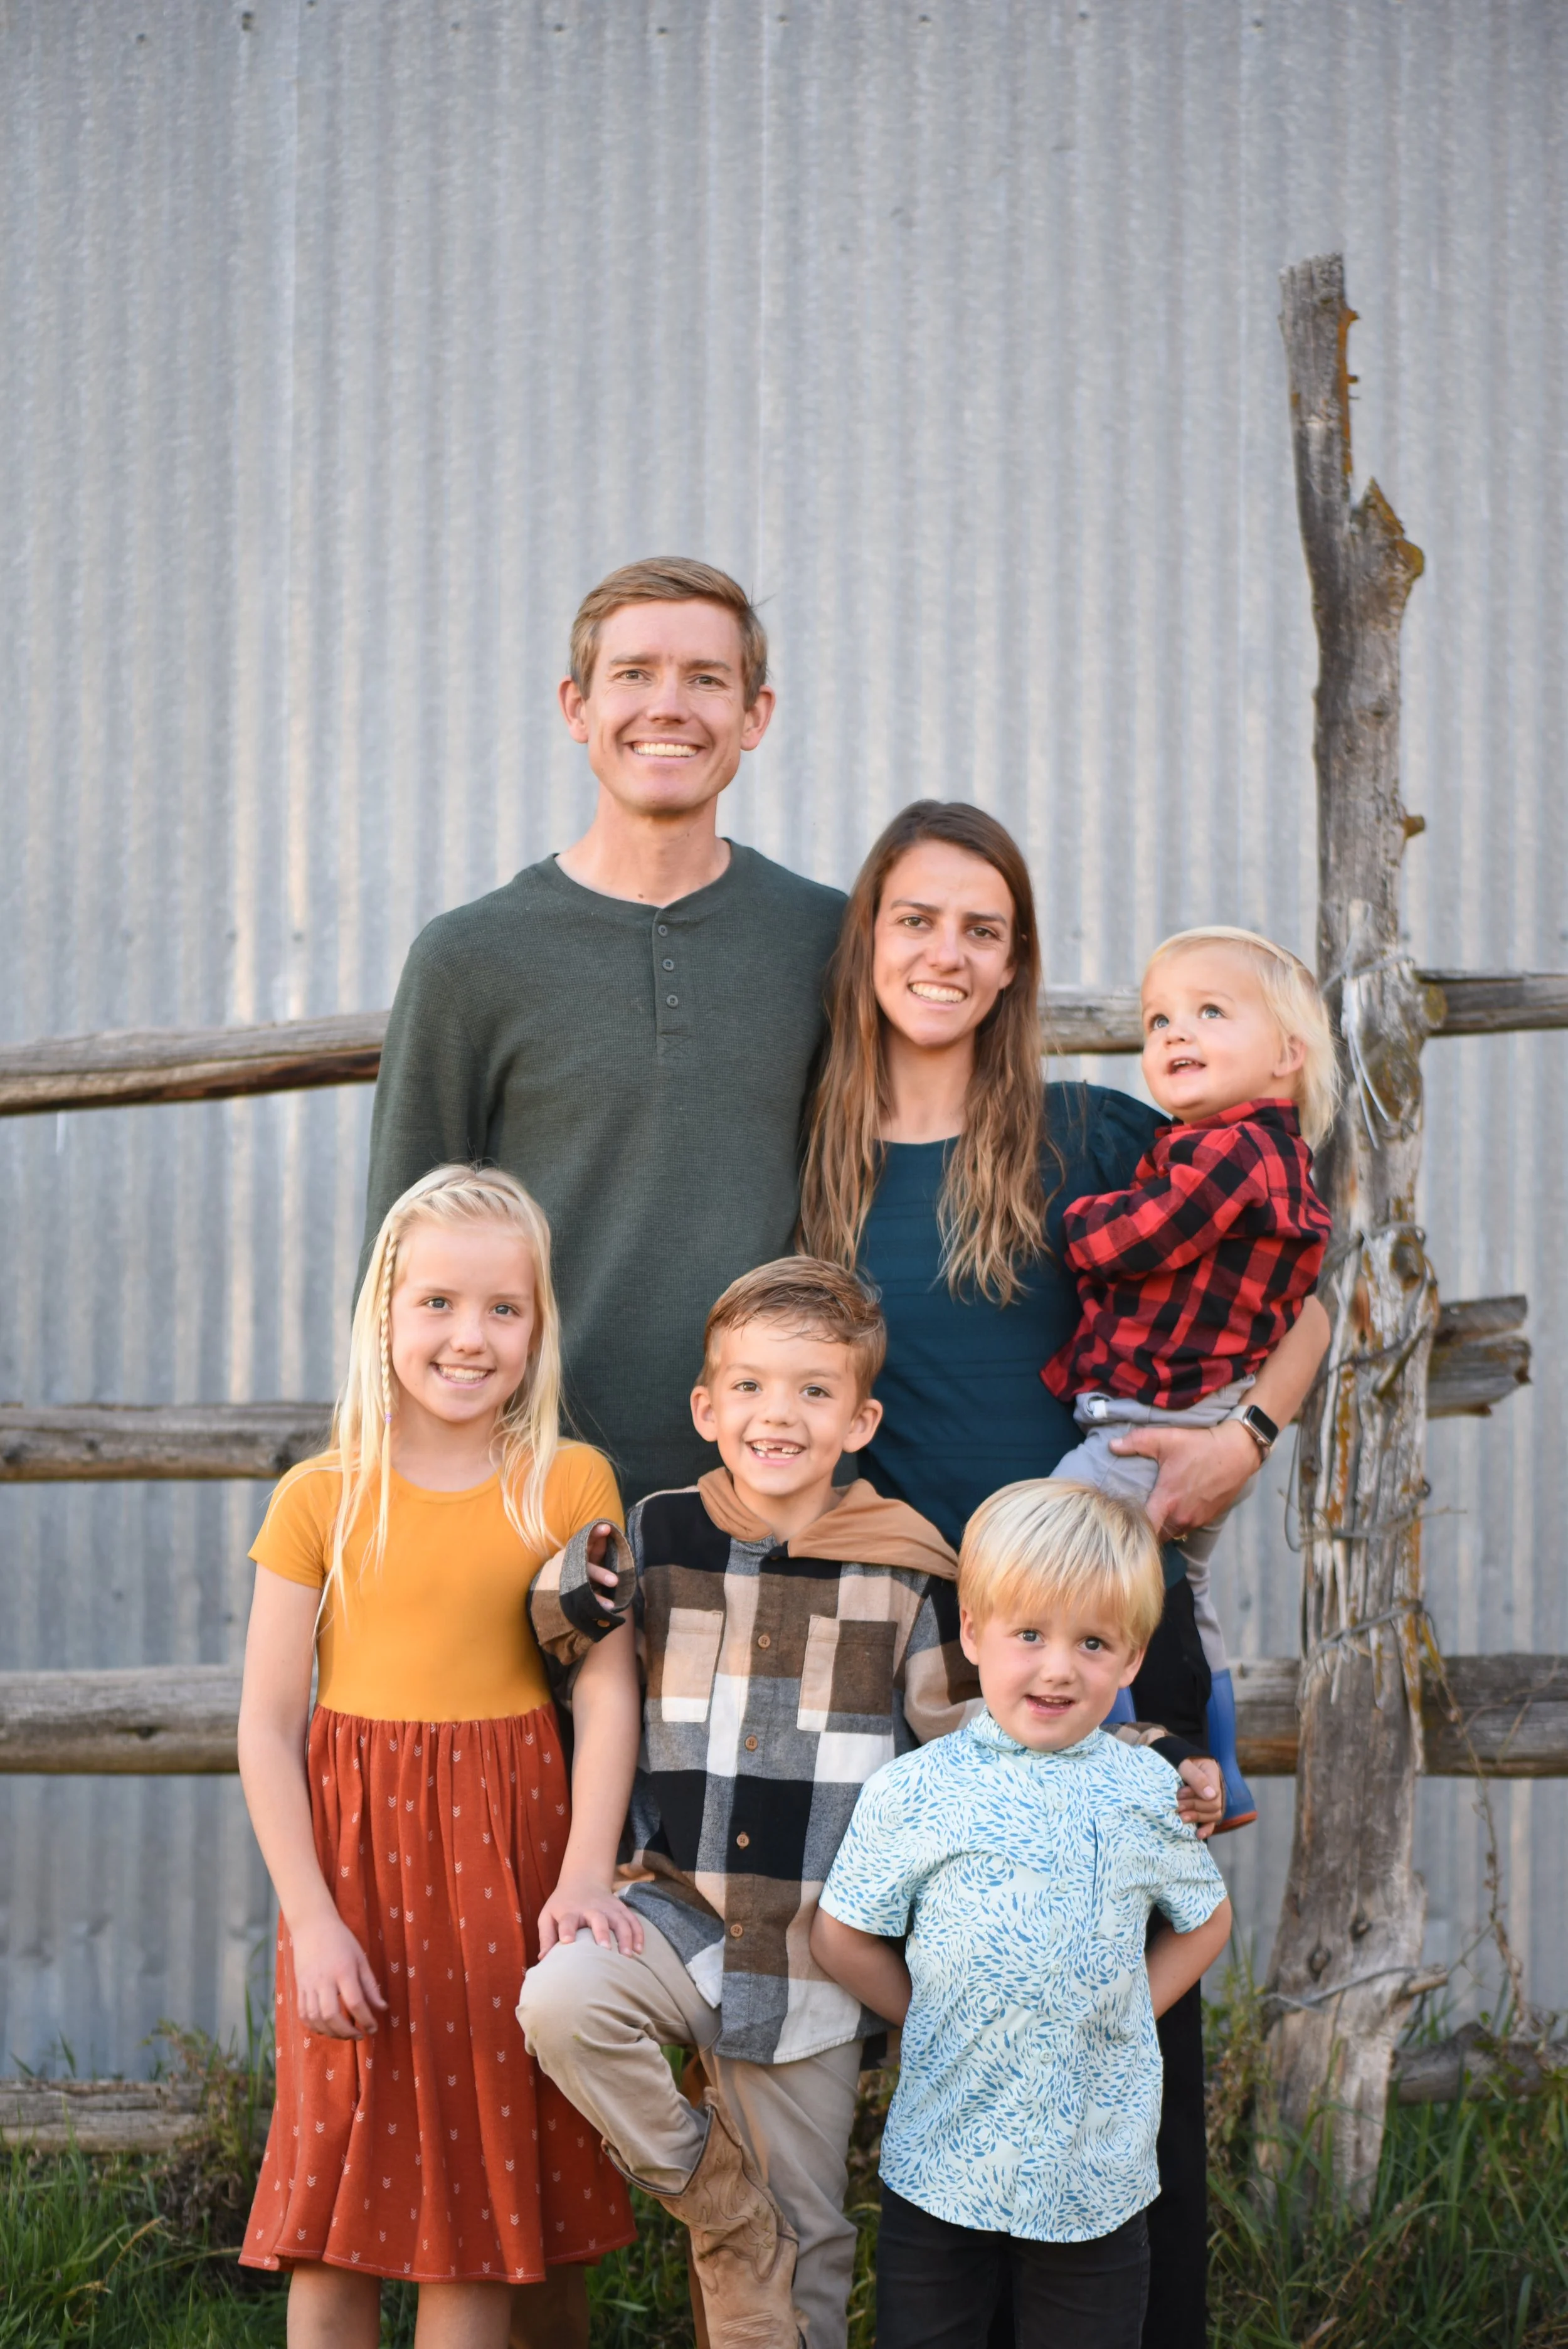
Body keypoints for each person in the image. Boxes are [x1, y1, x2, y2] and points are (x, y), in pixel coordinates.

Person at [798, 800, 1331, 2349]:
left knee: (1125, 2042)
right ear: (869, 940)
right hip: (913, 1645)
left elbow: (1308, 1278)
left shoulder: (1090, 1134)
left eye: (983, 927)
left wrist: (1247, 1430)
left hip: (1095, 1645)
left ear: (1017, 958)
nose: (946, 954)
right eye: (916, 919)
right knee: (940, 2011)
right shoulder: (818, 1159)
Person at [514, 1259, 977, 2349]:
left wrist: (1142, 1769)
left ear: (859, 1420)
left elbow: (978, 1743)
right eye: (753, 1388)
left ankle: (765, 2263)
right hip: (674, 1911)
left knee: (807, 2238)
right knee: (562, 2003)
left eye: (814, 1392)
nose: (780, 1415)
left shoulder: (908, 1570)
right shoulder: (662, 1532)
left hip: (819, 1946)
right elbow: (552, 1628)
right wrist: (574, 1577)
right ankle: (714, 2200)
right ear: (707, 1408)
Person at [236, 1166, 637, 2349]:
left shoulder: (568, 1484)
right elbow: (266, 1724)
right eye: (439, 1305)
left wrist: (582, 1874)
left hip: (508, 1863)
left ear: (539, 1327)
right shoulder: (322, 1500)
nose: (470, 1338)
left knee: (472, 2177)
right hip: (353, 1867)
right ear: (386, 1316)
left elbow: (607, 1694)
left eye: (503, 1310)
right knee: (335, 2180)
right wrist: (311, 1920)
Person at [360, 557, 845, 1507]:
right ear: (577, 707)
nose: (669, 706)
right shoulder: (471, 956)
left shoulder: (826, 939)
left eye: (706, 679)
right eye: (634, 674)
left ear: (755, 715)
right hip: (527, 1495)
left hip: (773, 1497)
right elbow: (397, 1254)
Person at [811, 1480, 1232, 2349]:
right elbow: (843, 1934)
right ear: (973, 1633)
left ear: (1131, 1658)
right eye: (1029, 1634)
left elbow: (1206, 1920)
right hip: (944, 2157)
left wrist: (1126, 2008)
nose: (1056, 1667)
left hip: (1097, 2167)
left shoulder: (1148, 1792)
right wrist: (930, 2014)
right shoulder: (917, 1789)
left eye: (1092, 1643)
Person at [1043, 927, 1337, 1829]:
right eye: (1160, 1019)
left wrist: (1071, 1218)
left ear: (1289, 1055)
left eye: (1212, 1013)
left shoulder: (1229, 1154)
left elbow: (1142, 1237)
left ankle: (1136, 1755)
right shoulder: (1255, 1155)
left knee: (1062, 1549)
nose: (1176, 1033)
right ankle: (1227, 1777)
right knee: (1183, 1595)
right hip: (1199, 1411)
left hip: (1155, 1418)